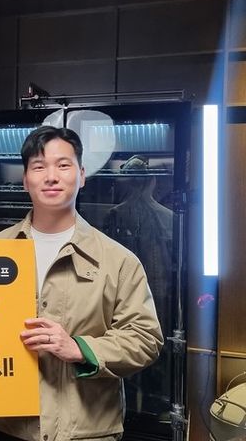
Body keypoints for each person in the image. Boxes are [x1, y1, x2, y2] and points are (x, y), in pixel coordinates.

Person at [0, 126, 163, 441]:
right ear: (25, 179)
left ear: (81, 175)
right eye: (39, 166)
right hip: (12, 428)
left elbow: (145, 339)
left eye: (63, 165)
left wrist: (81, 348)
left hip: (87, 430)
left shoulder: (118, 260)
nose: (51, 176)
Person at [103, 154, 174, 415]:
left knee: (130, 351)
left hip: (126, 294)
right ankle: (154, 410)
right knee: (155, 349)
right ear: (152, 181)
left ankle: (133, 412)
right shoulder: (168, 216)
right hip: (160, 292)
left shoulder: (115, 214)